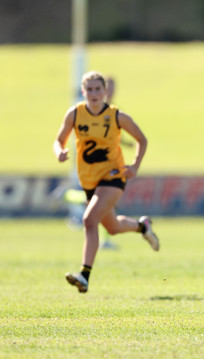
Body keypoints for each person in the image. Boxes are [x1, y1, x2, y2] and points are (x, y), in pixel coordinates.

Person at [53, 70, 160, 293]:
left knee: (89, 220)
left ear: (105, 91)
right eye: (89, 89)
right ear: (83, 91)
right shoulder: (74, 114)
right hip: (89, 181)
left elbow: (142, 139)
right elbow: (58, 140)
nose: (93, 93)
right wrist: (60, 152)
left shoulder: (117, 116)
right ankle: (143, 226)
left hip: (113, 177)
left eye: (97, 89)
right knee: (112, 227)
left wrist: (135, 166)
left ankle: (84, 276)